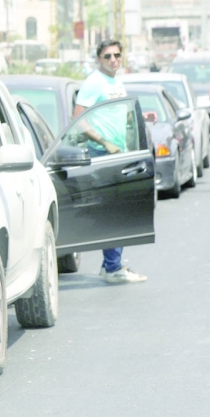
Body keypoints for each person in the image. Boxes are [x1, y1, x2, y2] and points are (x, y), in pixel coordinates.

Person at [73, 39, 148, 284]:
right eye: (108, 56)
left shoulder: (116, 82)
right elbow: (78, 120)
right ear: (99, 59)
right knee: (115, 213)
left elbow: (120, 115)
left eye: (117, 55)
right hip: (103, 155)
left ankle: (110, 265)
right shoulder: (94, 82)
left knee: (119, 211)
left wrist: (142, 116)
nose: (114, 59)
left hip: (119, 154)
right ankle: (113, 268)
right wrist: (104, 143)